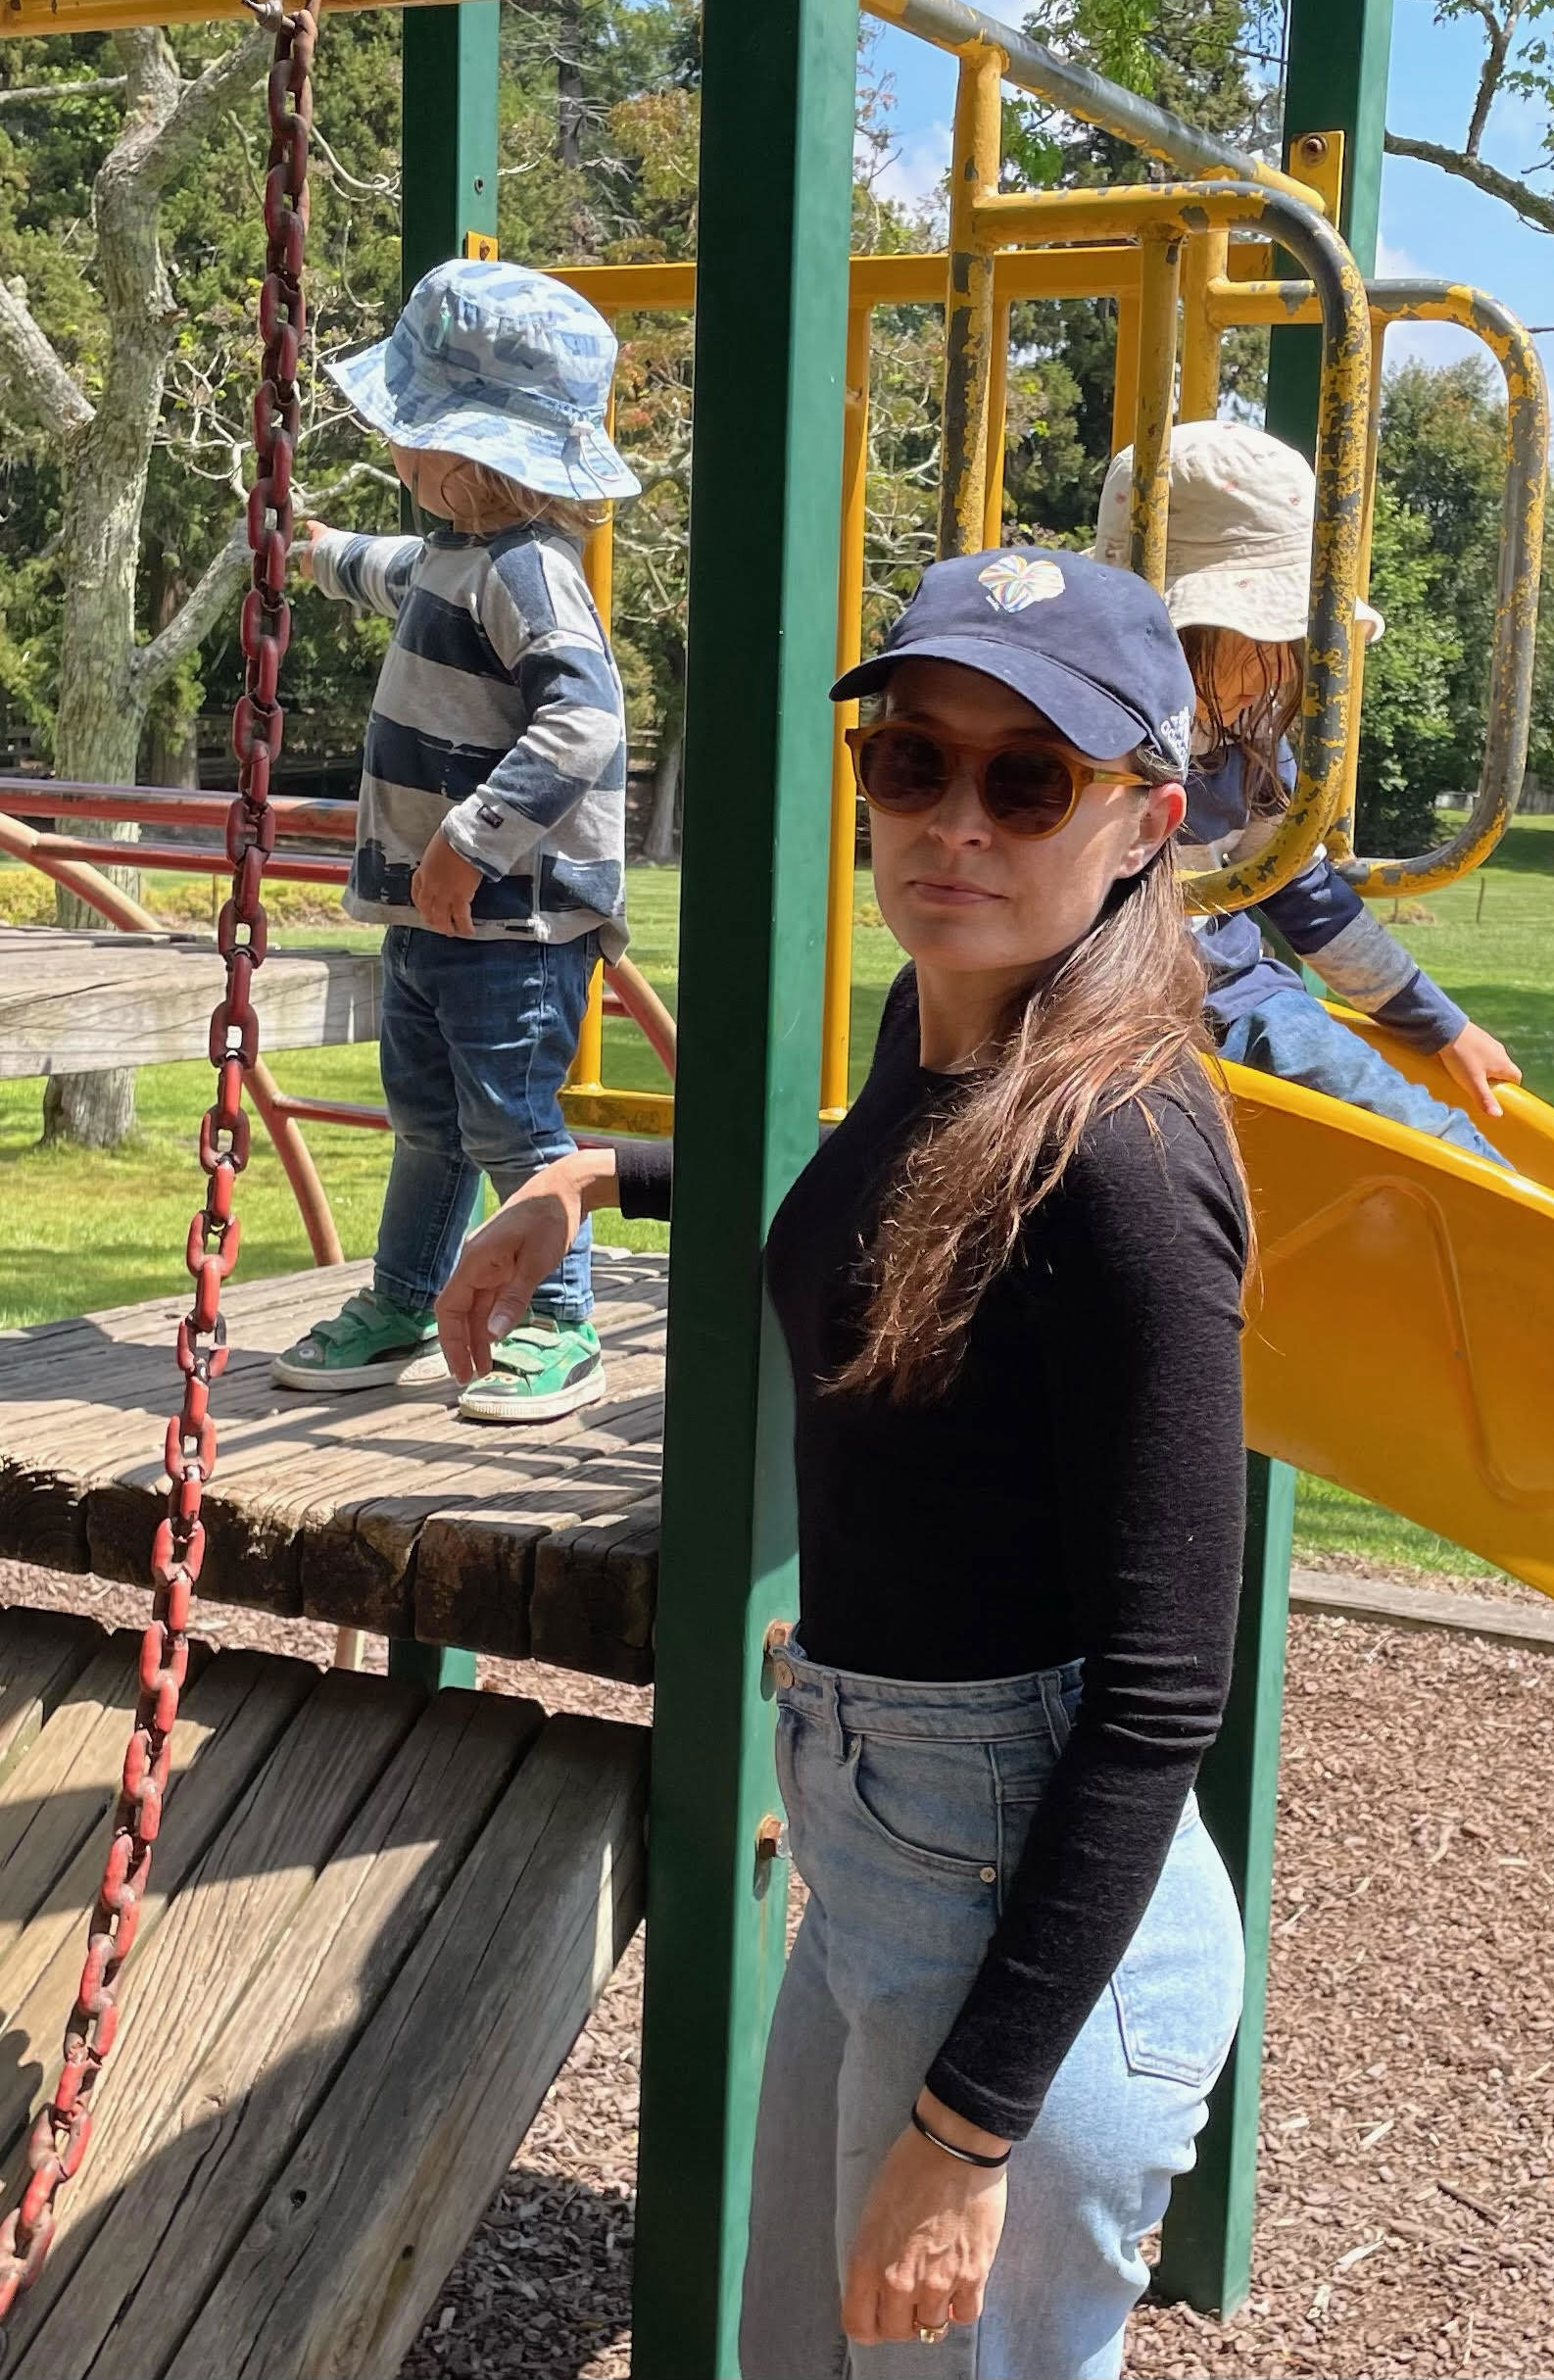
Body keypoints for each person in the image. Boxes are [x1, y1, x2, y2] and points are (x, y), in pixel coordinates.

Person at [436, 547, 1249, 2378]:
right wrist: (599, 1178)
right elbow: (873, 1211)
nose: (954, 822)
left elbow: (1155, 1697)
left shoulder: (1116, 1164)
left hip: (1026, 1916)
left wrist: (966, 2143)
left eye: (1027, 778)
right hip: (891, 1847)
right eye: (910, 764)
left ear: (1140, 823)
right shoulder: (948, 1032)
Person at [272, 259, 641, 1423]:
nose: (398, 451)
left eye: (411, 432)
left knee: (509, 1118)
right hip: (438, 918)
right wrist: (316, 549)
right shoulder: (453, 554)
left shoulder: (532, 575)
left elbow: (583, 716)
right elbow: (385, 572)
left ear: (471, 458)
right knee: (427, 1119)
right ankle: (403, 1296)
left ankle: (559, 1318)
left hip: (515, 917)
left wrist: (474, 837)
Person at [1095, 418, 1520, 1163]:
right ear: (1182, 631)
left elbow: (1307, 899)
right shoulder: (1085, 740)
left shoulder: (1248, 745)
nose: (1290, 664)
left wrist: (1438, 1024)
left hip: (1237, 1011)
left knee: (1432, 1141)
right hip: (1135, 1022)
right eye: (1273, 640)